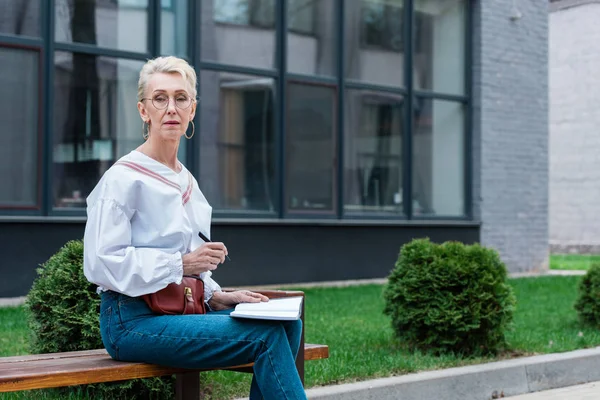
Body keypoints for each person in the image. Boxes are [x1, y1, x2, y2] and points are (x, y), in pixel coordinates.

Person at [83, 56, 306, 400]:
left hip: (180, 309)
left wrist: (218, 295)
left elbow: (194, 266)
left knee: (288, 325)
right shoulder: (123, 179)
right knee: (267, 337)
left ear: (193, 109)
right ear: (144, 110)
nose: (171, 107)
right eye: (160, 98)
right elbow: (101, 264)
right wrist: (182, 263)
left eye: (181, 98)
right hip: (131, 321)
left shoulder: (187, 182)